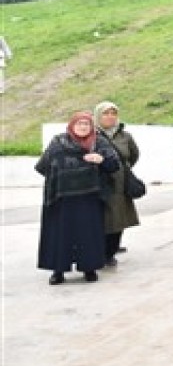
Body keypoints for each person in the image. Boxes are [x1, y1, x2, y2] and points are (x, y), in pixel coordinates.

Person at [37, 112, 119, 284]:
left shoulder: (99, 142)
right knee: (60, 235)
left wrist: (101, 159)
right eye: (79, 123)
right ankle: (58, 271)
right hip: (62, 197)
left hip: (89, 197)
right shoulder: (58, 142)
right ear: (72, 125)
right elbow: (43, 165)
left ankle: (89, 268)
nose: (83, 127)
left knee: (88, 234)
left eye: (86, 124)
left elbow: (114, 165)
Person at [94, 102, 139, 268]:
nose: (110, 116)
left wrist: (122, 171)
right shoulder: (92, 135)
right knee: (99, 218)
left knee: (118, 219)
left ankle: (110, 252)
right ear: (98, 116)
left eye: (113, 113)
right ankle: (98, 251)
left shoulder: (125, 136)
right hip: (98, 183)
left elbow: (133, 155)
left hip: (120, 184)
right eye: (106, 113)